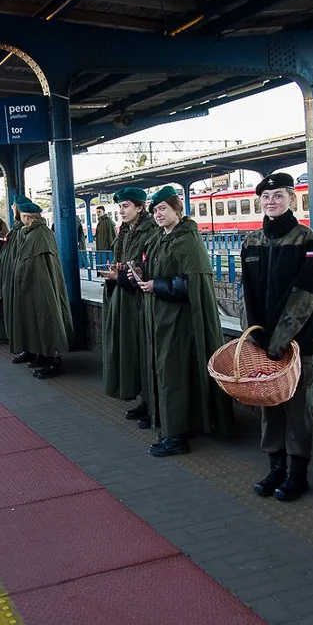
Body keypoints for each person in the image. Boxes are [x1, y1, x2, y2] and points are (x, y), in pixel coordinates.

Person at [240, 172, 313, 502]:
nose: (271, 201)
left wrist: (280, 340)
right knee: (269, 406)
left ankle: (298, 474)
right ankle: (275, 468)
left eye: (278, 195)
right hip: (263, 344)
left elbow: (307, 294)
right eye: (265, 197)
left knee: (299, 408)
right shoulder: (252, 242)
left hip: (299, 344)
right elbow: (245, 293)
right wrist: (253, 337)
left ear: (291, 198)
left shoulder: (306, 239)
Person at [132, 187, 233, 457]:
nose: (158, 215)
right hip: (161, 319)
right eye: (154, 211)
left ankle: (176, 435)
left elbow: (194, 284)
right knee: (167, 372)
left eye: (163, 209)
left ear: (177, 209)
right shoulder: (160, 239)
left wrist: (158, 285)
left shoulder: (187, 240)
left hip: (180, 321)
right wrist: (140, 273)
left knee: (173, 373)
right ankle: (172, 423)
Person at [102, 187, 158, 423]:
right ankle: (143, 399)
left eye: (126, 206)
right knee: (131, 350)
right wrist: (118, 271)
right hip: (126, 298)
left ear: (139, 207)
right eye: (120, 206)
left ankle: (150, 402)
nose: (121, 211)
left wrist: (121, 277)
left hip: (142, 300)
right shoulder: (125, 231)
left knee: (144, 350)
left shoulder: (150, 231)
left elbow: (148, 268)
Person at [10, 200, 74, 379]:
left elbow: (42, 266)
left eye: (22, 216)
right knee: (37, 322)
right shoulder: (32, 233)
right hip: (34, 287)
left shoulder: (41, 234)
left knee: (47, 321)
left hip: (43, 288)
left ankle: (54, 360)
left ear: (28, 217)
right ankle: (42, 355)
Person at [0, 197, 30, 346]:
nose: (11, 208)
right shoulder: (17, 230)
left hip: (19, 279)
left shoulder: (23, 232)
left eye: (13, 206)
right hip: (13, 277)